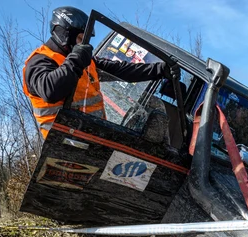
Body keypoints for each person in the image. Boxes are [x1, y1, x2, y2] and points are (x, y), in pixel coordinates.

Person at [23, 6, 180, 139]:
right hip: (63, 143)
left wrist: (160, 69)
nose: (84, 44)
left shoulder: (87, 61)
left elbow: (123, 70)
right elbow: (51, 90)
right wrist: (76, 60)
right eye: (79, 38)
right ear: (64, 34)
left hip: (95, 137)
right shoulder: (39, 61)